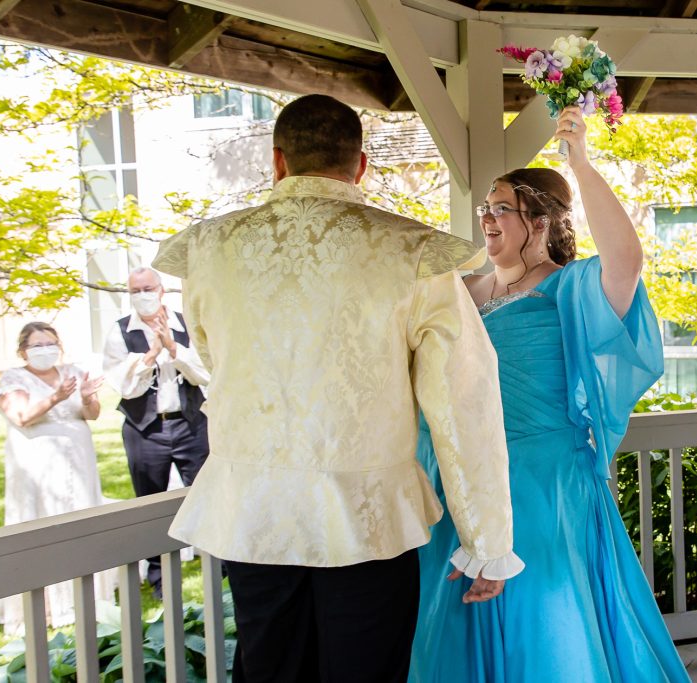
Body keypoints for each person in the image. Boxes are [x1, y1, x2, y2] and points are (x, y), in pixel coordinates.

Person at [152, 94, 522, 682]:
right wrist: (487, 539)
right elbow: (464, 398)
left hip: (256, 512)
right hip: (368, 516)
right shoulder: (410, 252)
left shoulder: (209, 247)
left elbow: (215, 357)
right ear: (361, 166)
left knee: (270, 671)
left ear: (277, 161)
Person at [409, 108, 688, 682]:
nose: (487, 218)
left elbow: (627, 262)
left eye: (500, 208)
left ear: (538, 221)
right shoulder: (460, 289)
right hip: (459, 478)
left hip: (542, 480)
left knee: (542, 619)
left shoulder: (570, 287)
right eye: (485, 208)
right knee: (453, 616)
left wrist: (580, 163)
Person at [0, 321, 116, 629]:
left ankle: (86, 596)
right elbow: (21, 416)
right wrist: (56, 397)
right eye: (37, 345)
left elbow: (91, 414)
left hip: (78, 460)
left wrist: (87, 397)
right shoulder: (14, 378)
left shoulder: (72, 372)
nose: (45, 349)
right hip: (38, 466)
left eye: (50, 343)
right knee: (45, 523)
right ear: (23, 350)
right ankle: (49, 605)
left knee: (81, 520)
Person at [102, 266, 210, 599]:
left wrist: (173, 349)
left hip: (190, 423)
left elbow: (205, 373)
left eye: (148, 289)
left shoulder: (186, 324)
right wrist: (150, 354)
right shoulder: (121, 331)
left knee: (205, 493)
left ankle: (217, 564)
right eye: (135, 291)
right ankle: (159, 577)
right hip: (145, 429)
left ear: (161, 290)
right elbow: (124, 386)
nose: (142, 296)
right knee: (149, 502)